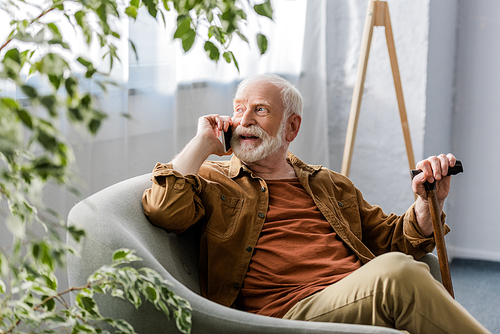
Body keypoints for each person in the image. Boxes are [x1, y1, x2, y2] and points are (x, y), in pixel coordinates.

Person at [142, 74, 490, 333]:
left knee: (404, 269)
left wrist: (429, 201)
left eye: (259, 110)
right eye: (238, 109)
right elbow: (164, 210)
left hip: (351, 296)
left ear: (291, 127)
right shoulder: (213, 179)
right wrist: (202, 142)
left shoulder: (329, 184)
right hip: (285, 314)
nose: (244, 119)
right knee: (399, 275)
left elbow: (394, 239)